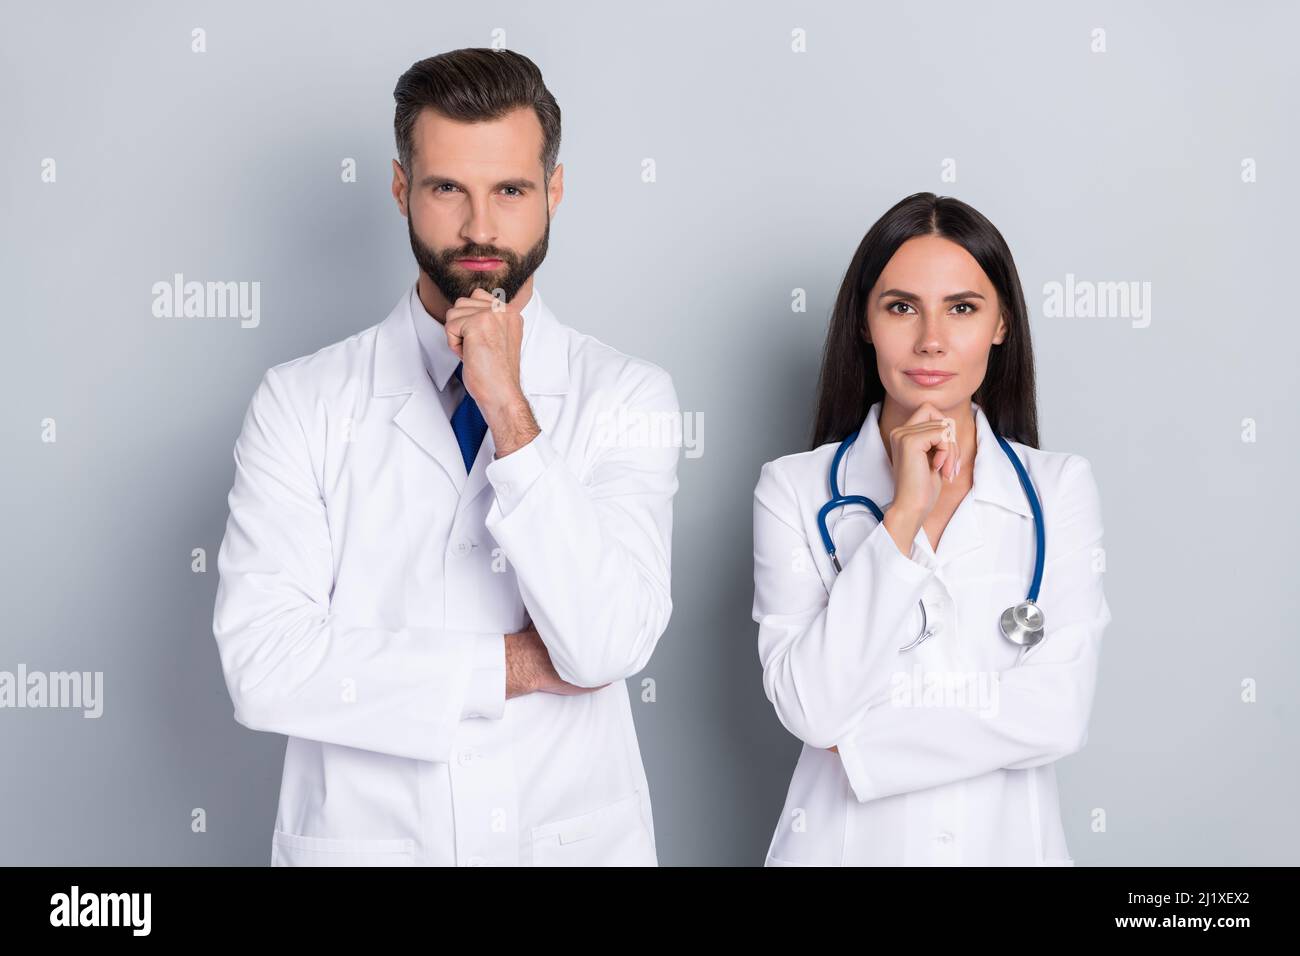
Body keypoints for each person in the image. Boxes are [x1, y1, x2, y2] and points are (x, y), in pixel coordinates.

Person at [212, 48, 679, 866]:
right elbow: (265, 666)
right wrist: (510, 665)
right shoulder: (300, 400)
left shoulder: (627, 395)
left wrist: (507, 406)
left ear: (553, 192)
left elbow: (606, 645)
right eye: (446, 189)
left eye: (510, 190)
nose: (480, 229)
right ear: (401, 189)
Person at [752, 192, 1112, 866]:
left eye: (963, 308)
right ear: (864, 321)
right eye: (900, 306)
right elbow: (813, 710)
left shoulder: (1058, 488)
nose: (931, 340)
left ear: (1002, 324)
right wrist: (903, 515)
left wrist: (861, 746)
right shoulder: (793, 490)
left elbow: (1058, 711)